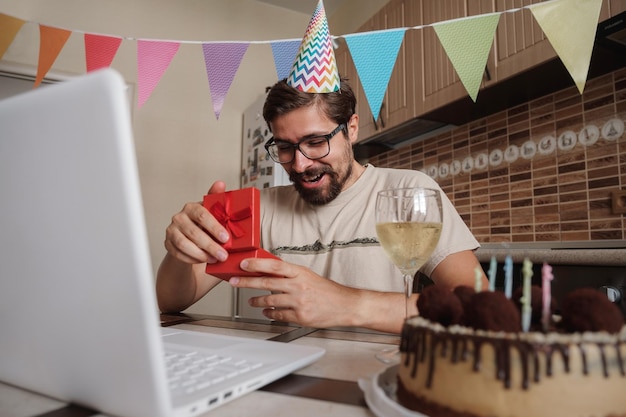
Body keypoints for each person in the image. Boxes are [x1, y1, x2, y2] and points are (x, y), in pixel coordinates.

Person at [156, 78, 487, 334]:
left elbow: (478, 307)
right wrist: (181, 251)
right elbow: (170, 300)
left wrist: (349, 304)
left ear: (352, 128)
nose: (299, 164)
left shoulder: (409, 192)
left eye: (316, 142)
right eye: (285, 147)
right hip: (285, 378)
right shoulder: (259, 208)